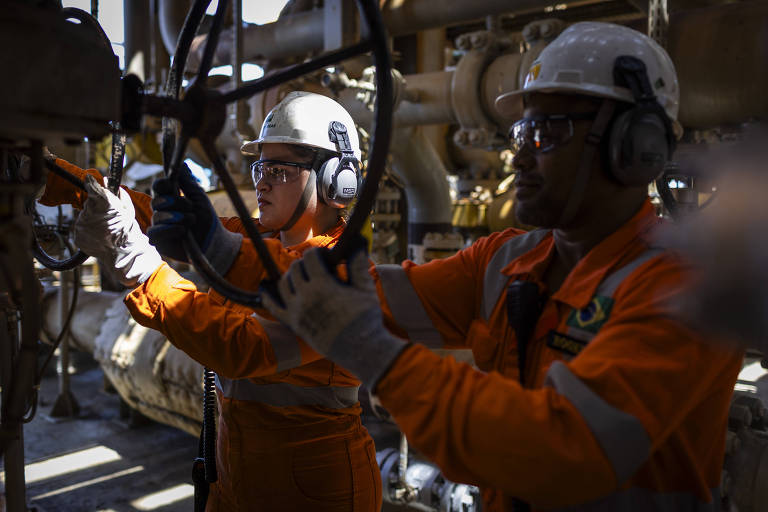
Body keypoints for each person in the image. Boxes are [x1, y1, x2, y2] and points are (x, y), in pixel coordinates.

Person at [261, 23, 743, 511]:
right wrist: (218, 250)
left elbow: (559, 451)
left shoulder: (684, 290)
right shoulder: (510, 260)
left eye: (545, 134)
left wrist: (374, 352)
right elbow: (369, 295)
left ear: (633, 147)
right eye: (520, 133)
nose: (519, 157)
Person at [39, 91, 382, 511]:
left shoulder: (344, 275)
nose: (261, 181)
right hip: (236, 478)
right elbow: (160, 219)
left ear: (336, 180)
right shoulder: (258, 238)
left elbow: (242, 349)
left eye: (278, 168)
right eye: (260, 166)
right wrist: (59, 178)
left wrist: (141, 267)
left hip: (316, 491)